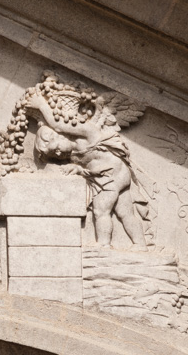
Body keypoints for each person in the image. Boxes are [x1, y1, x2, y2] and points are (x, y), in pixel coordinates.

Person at [27, 93, 147, 249]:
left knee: (100, 210)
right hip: (109, 176)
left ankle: (104, 244)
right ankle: (140, 244)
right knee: (125, 213)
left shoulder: (87, 132)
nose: (58, 154)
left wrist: (41, 105)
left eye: (56, 148)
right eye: (54, 154)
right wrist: (77, 168)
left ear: (60, 135)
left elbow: (57, 125)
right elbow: (90, 166)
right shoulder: (72, 153)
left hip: (112, 175)